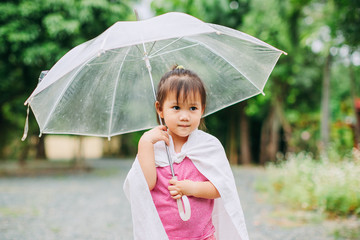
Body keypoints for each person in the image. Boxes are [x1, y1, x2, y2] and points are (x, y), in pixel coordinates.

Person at [124, 66, 249, 240]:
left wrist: (190, 188)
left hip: (203, 236)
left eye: (192, 108)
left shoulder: (208, 146)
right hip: (163, 235)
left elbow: (220, 187)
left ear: (202, 109)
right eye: (176, 107)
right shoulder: (155, 146)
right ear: (160, 109)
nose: (185, 116)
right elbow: (146, 186)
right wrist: (144, 143)